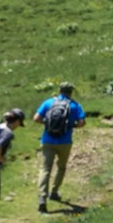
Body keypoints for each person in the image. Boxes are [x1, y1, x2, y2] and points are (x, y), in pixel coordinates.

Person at [33, 82, 86, 213]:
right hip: (65, 142)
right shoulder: (75, 105)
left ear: (59, 90)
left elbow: (36, 118)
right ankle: (54, 192)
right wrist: (71, 126)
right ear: (71, 92)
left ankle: (42, 198)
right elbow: (82, 123)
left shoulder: (48, 102)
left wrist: (47, 123)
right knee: (61, 167)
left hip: (47, 140)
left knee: (45, 169)